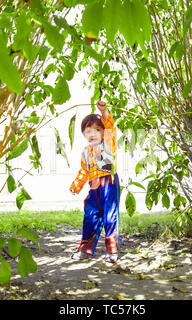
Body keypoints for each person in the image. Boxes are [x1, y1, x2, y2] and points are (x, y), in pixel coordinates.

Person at [69, 100, 120, 263]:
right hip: (94, 187)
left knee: (110, 217)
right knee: (90, 216)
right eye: (88, 130)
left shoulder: (108, 145)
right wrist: (77, 185)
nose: (93, 134)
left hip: (109, 184)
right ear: (83, 134)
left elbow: (110, 126)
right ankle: (85, 249)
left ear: (103, 132)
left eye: (97, 130)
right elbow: (84, 170)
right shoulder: (85, 151)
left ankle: (112, 251)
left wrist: (104, 112)